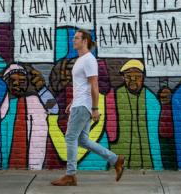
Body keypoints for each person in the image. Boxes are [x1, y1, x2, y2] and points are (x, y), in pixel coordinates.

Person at [51, 29, 125, 186]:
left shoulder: (89, 60)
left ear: (84, 41)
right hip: (79, 103)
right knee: (82, 140)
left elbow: (94, 84)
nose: (73, 40)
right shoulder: (81, 59)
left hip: (84, 105)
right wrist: (73, 101)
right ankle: (115, 159)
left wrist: (95, 108)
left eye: (77, 38)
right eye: (74, 38)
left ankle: (70, 175)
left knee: (70, 137)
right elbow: (81, 85)